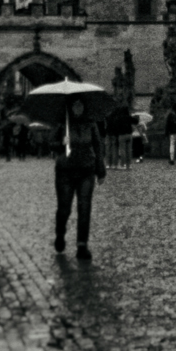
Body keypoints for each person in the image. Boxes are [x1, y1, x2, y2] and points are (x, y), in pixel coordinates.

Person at [54, 99, 106, 260]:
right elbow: (50, 143)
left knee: (84, 208)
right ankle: (60, 234)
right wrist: (61, 143)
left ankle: (82, 245)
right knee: (65, 208)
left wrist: (100, 170)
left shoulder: (90, 124)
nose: (78, 107)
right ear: (70, 106)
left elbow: (97, 146)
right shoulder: (62, 123)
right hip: (65, 172)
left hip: (86, 171)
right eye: (75, 104)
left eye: (80, 104)